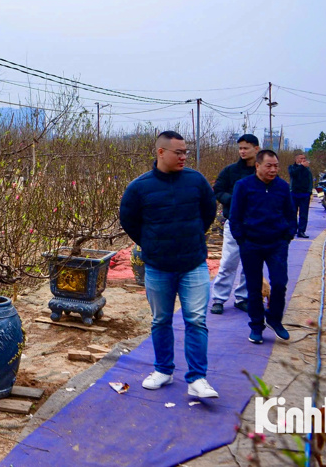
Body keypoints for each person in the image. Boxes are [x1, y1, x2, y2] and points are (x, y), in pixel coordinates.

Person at [119, 131, 219, 398]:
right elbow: (128, 221)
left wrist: (194, 236)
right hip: (158, 267)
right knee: (161, 319)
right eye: (179, 152)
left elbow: (209, 213)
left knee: (196, 320)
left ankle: (197, 378)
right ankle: (163, 369)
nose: (184, 156)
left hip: (193, 264)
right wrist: (151, 243)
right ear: (161, 152)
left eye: (186, 151)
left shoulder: (196, 182)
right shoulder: (139, 188)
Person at [229, 149, 298, 344]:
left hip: (277, 244)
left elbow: (290, 214)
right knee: (253, 287)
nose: (273, 169)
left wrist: (287, 235)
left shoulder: (283, 187)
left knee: (279, 283)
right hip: (251, 244)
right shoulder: (243, 186)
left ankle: (274, 319)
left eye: (276, 166)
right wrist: (241, 239)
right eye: (269, 165)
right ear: (258, 166)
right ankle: (256, 326)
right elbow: (235, 216)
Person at [209, 134, 259, 315]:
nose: (243, 151)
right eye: (240, 148)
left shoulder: (261, 171)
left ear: (256, 149)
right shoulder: (230, 171)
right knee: (229, 261)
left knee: (251, 263)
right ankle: (219, 298)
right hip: (235, 222)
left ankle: (243, 298)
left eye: (246, 148)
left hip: (256, 224)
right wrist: (233, 200)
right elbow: (217, 190)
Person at [288, 150, 313, 238]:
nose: (303, 160)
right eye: (301, 158)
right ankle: (293, 229)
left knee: (304, 214)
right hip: (294, 194)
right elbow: (293, 174)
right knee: (292, 213)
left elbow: (310, 179)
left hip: (304, 194)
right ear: (296, 159)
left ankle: (301, 231)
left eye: (304, 158)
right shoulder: (292, 167)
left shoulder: (307, 169)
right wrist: (301, 166)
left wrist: (309, 191)